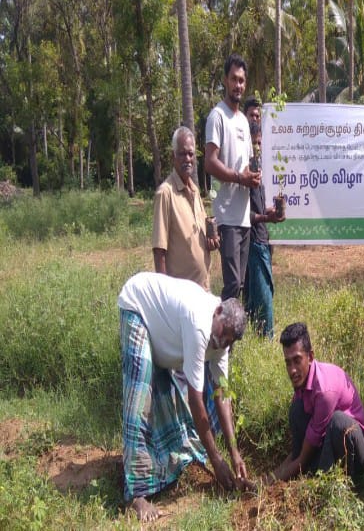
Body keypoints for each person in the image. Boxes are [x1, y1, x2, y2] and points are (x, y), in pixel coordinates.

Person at [118, 272, 250, 522]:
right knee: (140, 396)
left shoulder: (223, 340)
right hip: (137, 307)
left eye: (228, 340)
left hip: (162, 329)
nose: (221, 341)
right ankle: (135, 494)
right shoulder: (200, 323)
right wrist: (216, 460)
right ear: (218, 311)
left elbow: (222, 395)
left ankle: (159, 465)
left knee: (168, 397)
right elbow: (195, 399)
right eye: (223, 333)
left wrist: (234, 453)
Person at [260, 322, 364, 485]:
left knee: (338, 421)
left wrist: (269, 482)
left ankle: (339, 484)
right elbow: (299, 454)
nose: (292, 370)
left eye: (297, 360)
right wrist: (268, 479)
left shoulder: (325, 391)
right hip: (327, 439)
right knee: (297, 410)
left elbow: (303, 459)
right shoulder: (302, 384)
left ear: (310, 357)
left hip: (355, 451)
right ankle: (315, 474)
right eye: (288, 363)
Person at [205, 54, 261, 301]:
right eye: (233, 79)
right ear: (225, 81)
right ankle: (216, 335)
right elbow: (210, 162)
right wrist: (240, 178)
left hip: (244, 217)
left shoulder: (243, 121)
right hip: (226, 216)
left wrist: (254, 176)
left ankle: (228, 336)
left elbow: (248, 162)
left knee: (238, 285)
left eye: (242, 81)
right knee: (232, 284)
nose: (238, 85)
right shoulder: (217, 116)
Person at [153, 126, 219, 291]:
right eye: (182, 154)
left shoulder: (195, 191)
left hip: (203, 289)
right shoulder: (165, 193)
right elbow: (159, 250)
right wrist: (165, 295)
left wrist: (211, 242)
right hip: (180, 295)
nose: (187, 159)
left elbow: (203, 237)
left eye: (191, 154)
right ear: (172, 156)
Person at [244, 121, 284, 337]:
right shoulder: (244, 172)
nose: (257, 147)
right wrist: (263, 217)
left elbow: (258, 206)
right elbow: (242, 214)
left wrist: (270, 213)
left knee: (255, 298)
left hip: (262, 239)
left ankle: (252, 337)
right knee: (264, 300)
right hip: (253, 241)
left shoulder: (258, 168)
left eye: (260, 142)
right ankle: (266, 343)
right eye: (254, 143)